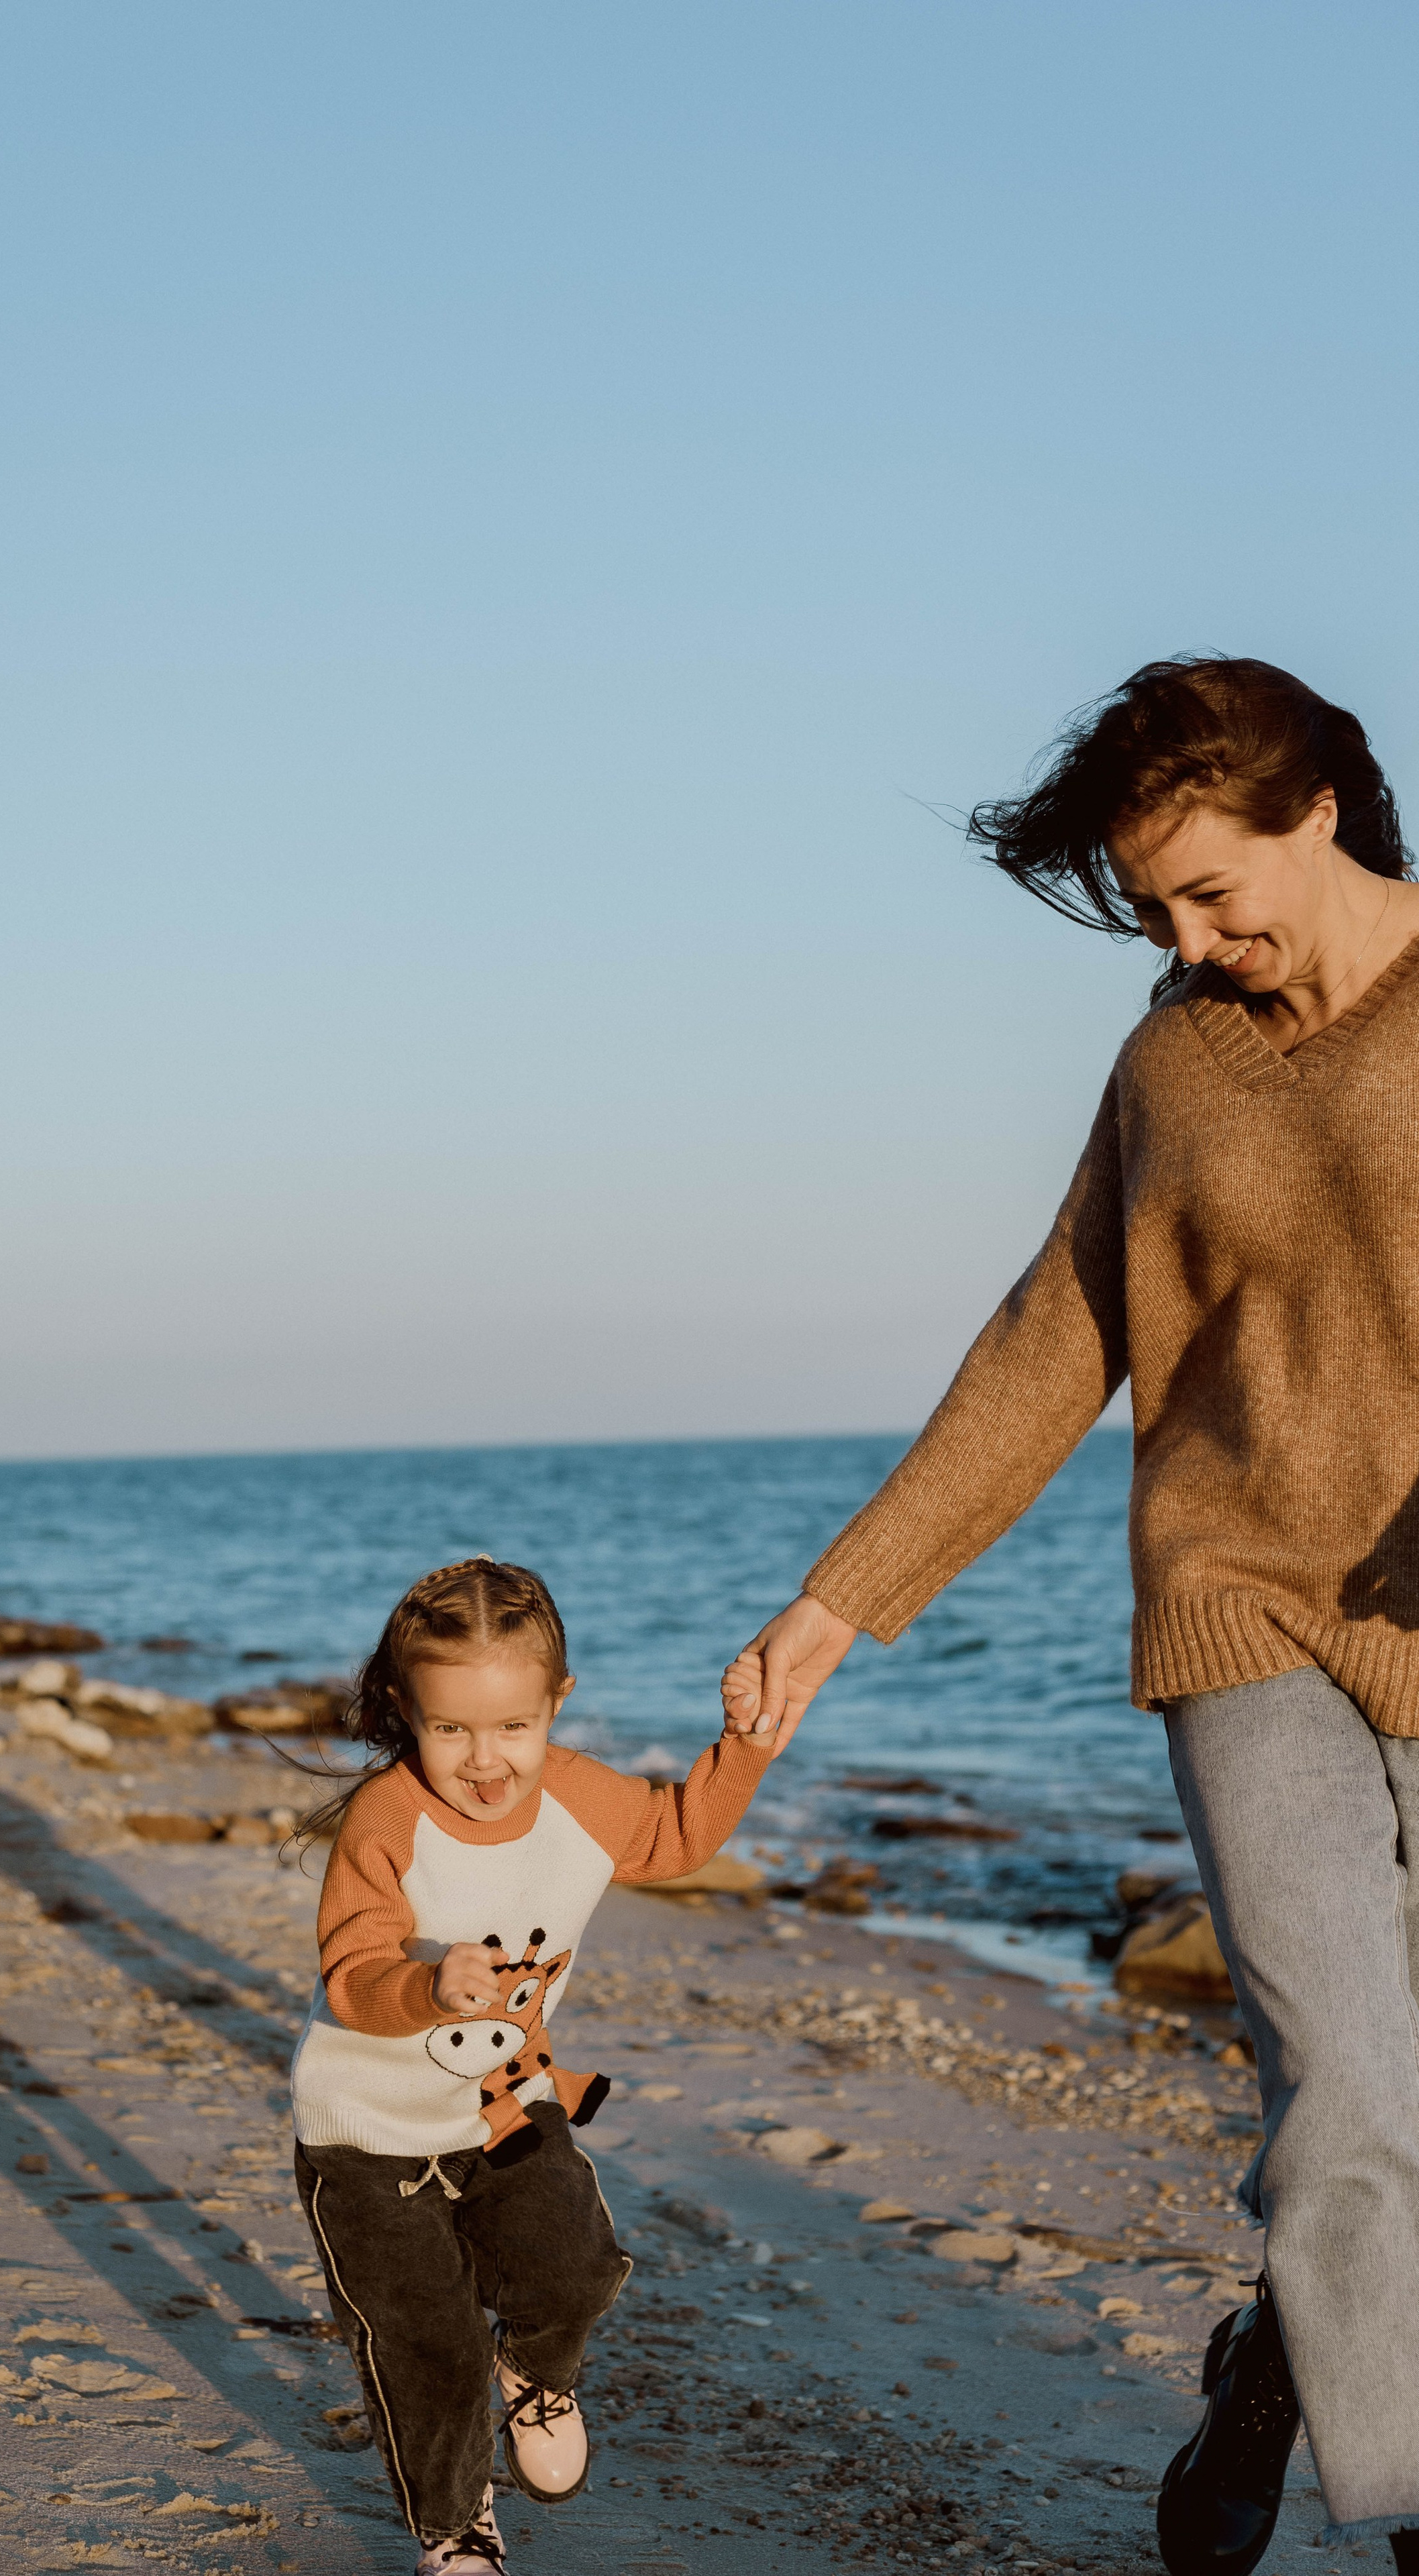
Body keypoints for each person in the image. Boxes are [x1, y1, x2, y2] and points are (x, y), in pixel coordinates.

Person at [724, 655, 1419, 2576]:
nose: (1188, 940)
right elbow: (1059, 1341)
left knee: (1398, 2126)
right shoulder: (1175, 1062)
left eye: (1212, 893)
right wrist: (836, 1604)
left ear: (1323, 813)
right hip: (1247, 1620)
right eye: (1155, 908)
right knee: (1351, 2088)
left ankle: (1278, 2356)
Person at [290, 1554, 784, 2576]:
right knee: (426, 2348)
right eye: (451, 1728)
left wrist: (742, 1744)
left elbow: (677, 1835)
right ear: (402, 1708)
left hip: (507, 2100)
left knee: (577, 2264)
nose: (485, 1760)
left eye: (514, 1727)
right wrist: (430, 1986)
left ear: (558, 1703)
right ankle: (457, 2525)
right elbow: (352, 1973)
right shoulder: (387, 1822)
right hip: (365, 2133)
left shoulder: (581, 1797)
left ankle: (534, 2374)